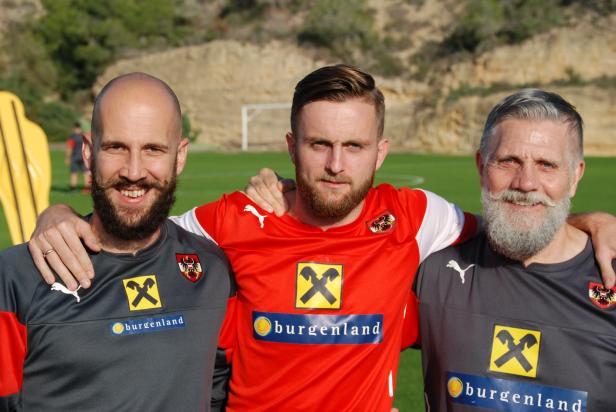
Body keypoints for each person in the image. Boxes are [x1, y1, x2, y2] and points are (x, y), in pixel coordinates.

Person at [27, 66, 616, 411]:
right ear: (290, 147)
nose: (336, 165)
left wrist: (592, 223)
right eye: (318, 145)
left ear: (381, 152)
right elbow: (136, 226)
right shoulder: (234, 219)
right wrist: (58, 214)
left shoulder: (416, 218)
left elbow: (519, 218)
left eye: (355, 147)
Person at [0, 73, 233, 411]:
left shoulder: (213, 270)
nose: (134, 171)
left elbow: (219, 388)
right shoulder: (18, 276)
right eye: (116, 148)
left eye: (153, 149)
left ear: (179, 156)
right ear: (88, 153)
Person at [414, 89, 616, 411]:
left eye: (547, 164)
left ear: (575, 176)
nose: (526, 183)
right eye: (508, 161)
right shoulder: (435, 269)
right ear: (481, 166)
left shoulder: (609, 277)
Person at [65, 122, 90, 193]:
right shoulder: (84, 135)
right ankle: (87, 188)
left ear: (74, 128)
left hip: (75, 157)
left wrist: (67, 158)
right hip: (84, 156)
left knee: (74, 173)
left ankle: (73, 189)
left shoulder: (72, 137)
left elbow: (69, 148)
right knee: (85, 172)